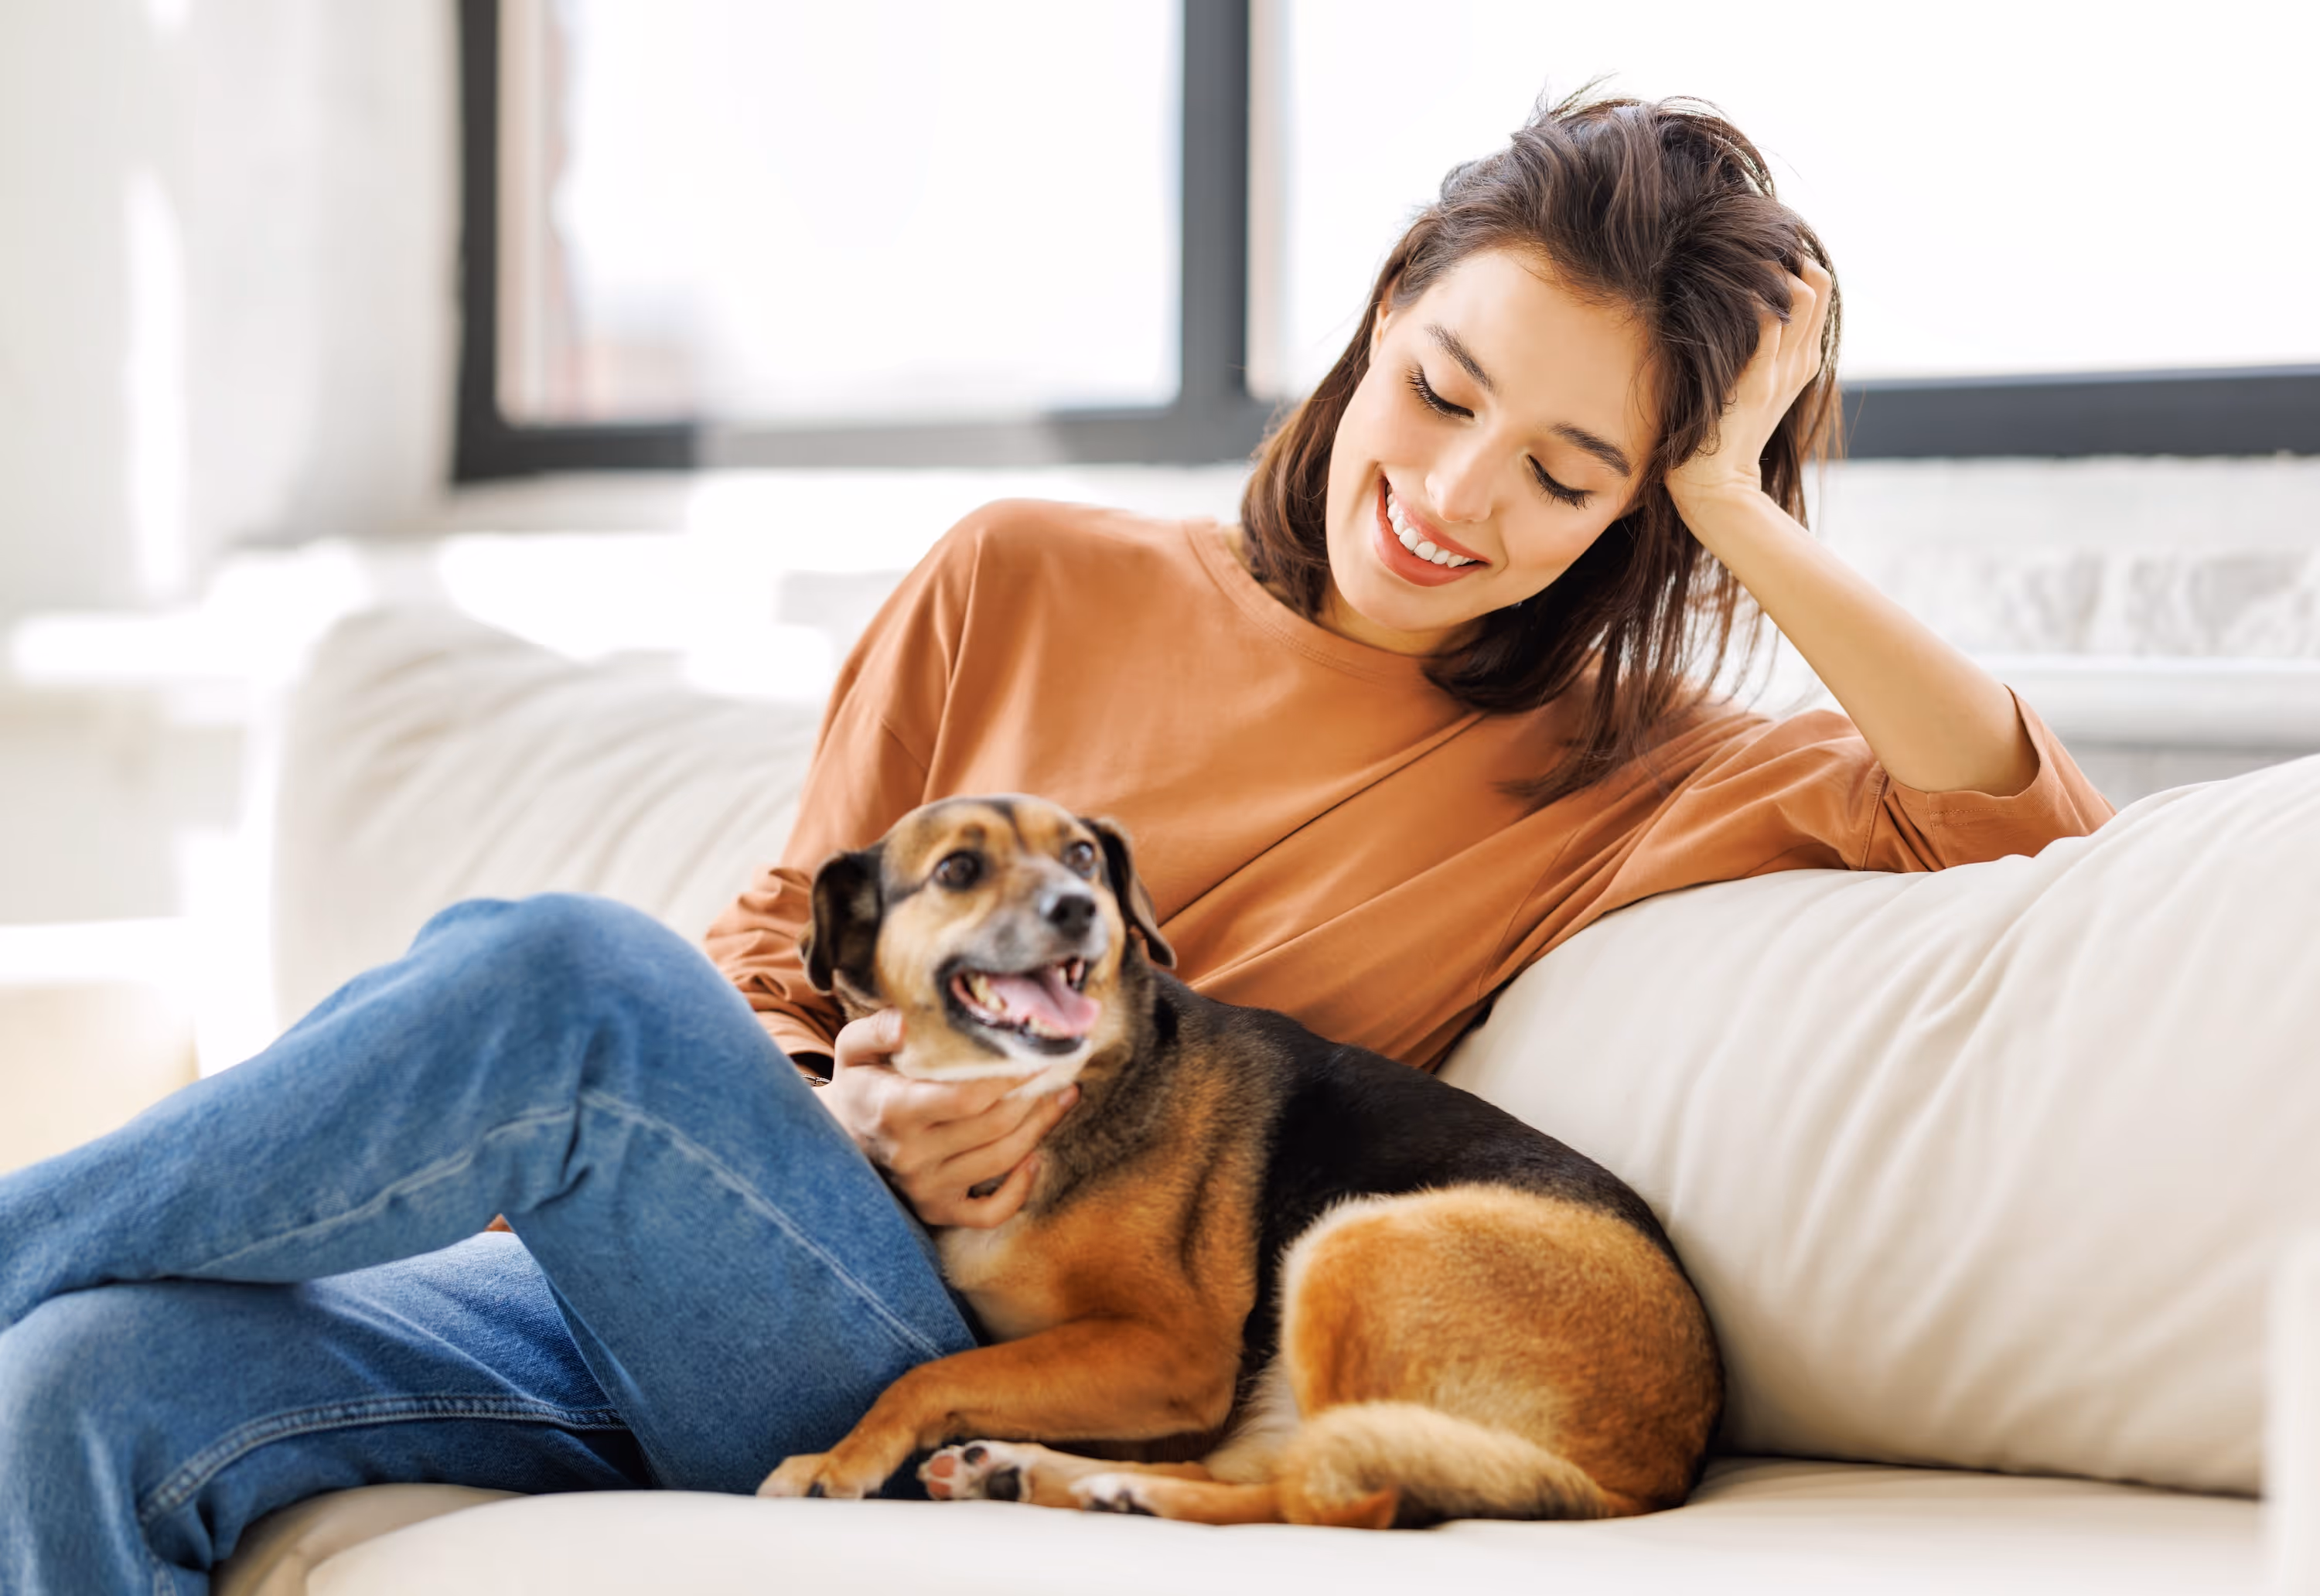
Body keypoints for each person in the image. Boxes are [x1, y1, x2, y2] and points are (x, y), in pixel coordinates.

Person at [0, 91, 2109, 1593]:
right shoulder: (1016, 569)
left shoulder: (1614, 766)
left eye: (1568, 476)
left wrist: (1738, 497)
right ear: (1380, 317)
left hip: (985, 1354)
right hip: (690, 1261)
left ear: (1633, 516)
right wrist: (852, 1086)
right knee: (86, 1384)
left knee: (560, 973)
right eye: (1444, 386)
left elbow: (2024, 818)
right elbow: (770, 961)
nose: (1456, 495)